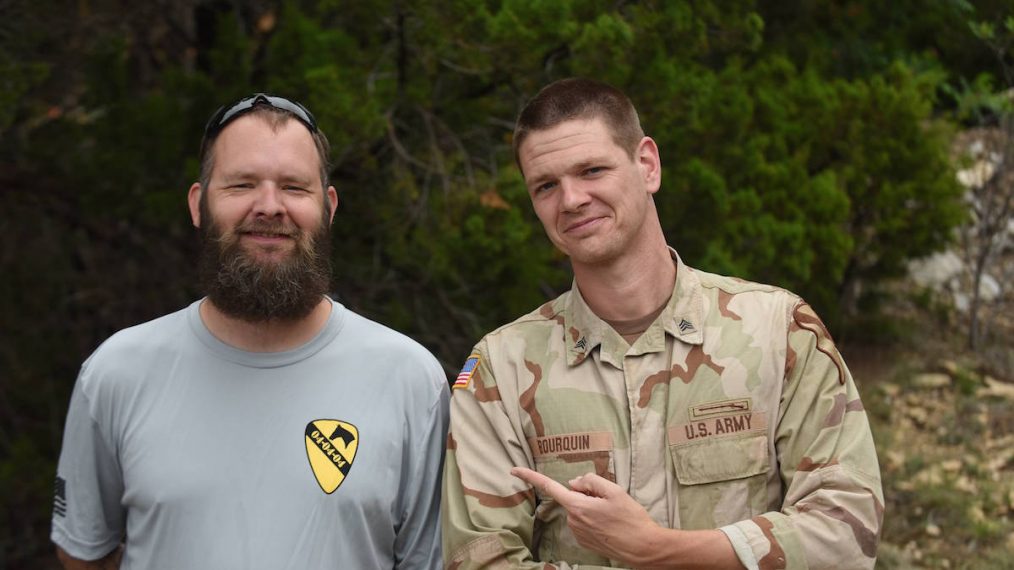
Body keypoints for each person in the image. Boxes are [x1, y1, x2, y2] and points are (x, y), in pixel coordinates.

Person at [441, 78, 883, 569]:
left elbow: (845, 530)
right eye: (545, 185)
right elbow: (479, 559)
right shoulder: (500, 371)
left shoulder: (777, 331)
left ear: (646, 164)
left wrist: (655, 551)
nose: (570, 200)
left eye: (592, 170)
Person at [51, 93, 450, 569]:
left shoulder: (411, 379)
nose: (269, 207)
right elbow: (83, 554)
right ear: (199, 204)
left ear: (328, 206)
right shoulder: (115, 372)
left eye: (294, 188)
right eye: (241, 184)